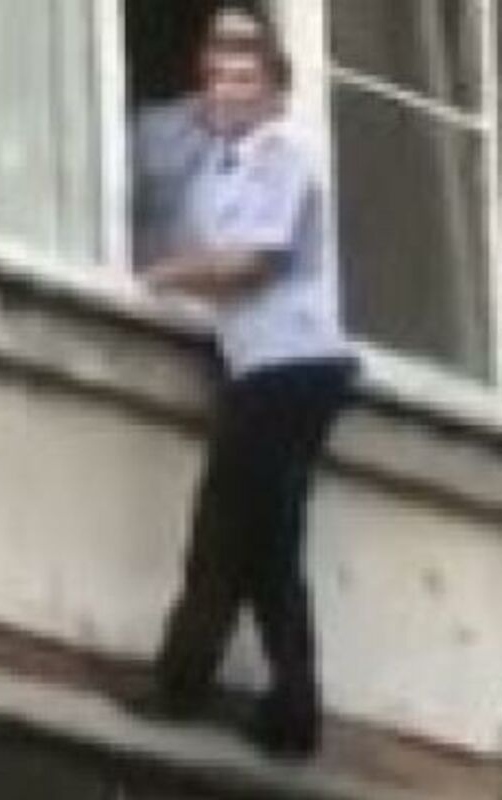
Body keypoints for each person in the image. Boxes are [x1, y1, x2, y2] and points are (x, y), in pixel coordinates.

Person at [127, 2, 356, 760]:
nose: (226, 92)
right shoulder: (222, 166)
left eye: (244, 78)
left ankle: (185, 683)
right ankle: (288, 711)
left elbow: (250, 261)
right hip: (263, 366)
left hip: (291, 367)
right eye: (217, 79)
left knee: (229, 529)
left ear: (275, 89)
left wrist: (159, 277)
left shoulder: (281, 150)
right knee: (264, 539)